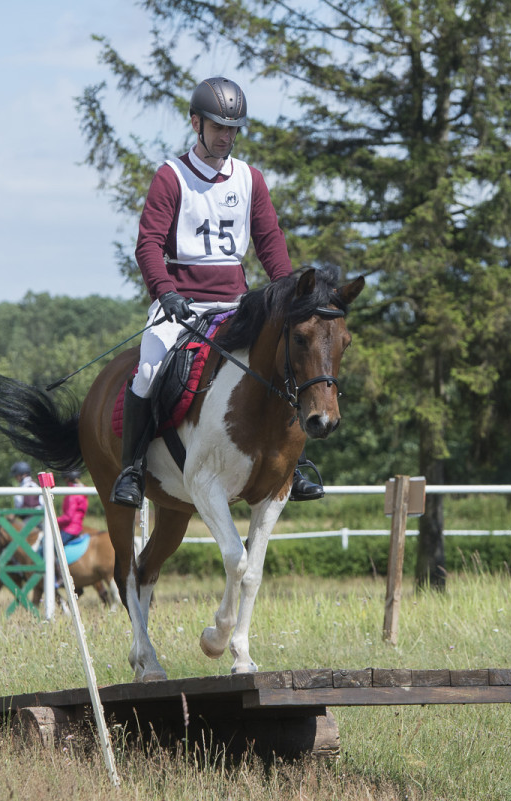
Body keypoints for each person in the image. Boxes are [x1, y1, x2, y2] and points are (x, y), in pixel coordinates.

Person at [110, 75, 325, 508]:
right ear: (196, 124)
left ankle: (292, 465)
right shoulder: (171, 178)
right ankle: (132, 470)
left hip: (237, 304)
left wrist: (289, 295)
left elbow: (269, 241)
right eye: (218, 127)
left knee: (282, 359)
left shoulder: (249, 179)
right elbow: (148, 243)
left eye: (233, 129)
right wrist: (164, 290)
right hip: (181, 305)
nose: (226, 137)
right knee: (149, 371)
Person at [57, 470, 88, 545]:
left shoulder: (72, 494)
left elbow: (68, 517)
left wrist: (55, 520)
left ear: (67, 479)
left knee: (50, 546)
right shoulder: (82, 491)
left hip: (70, 529)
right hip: (78, 527)